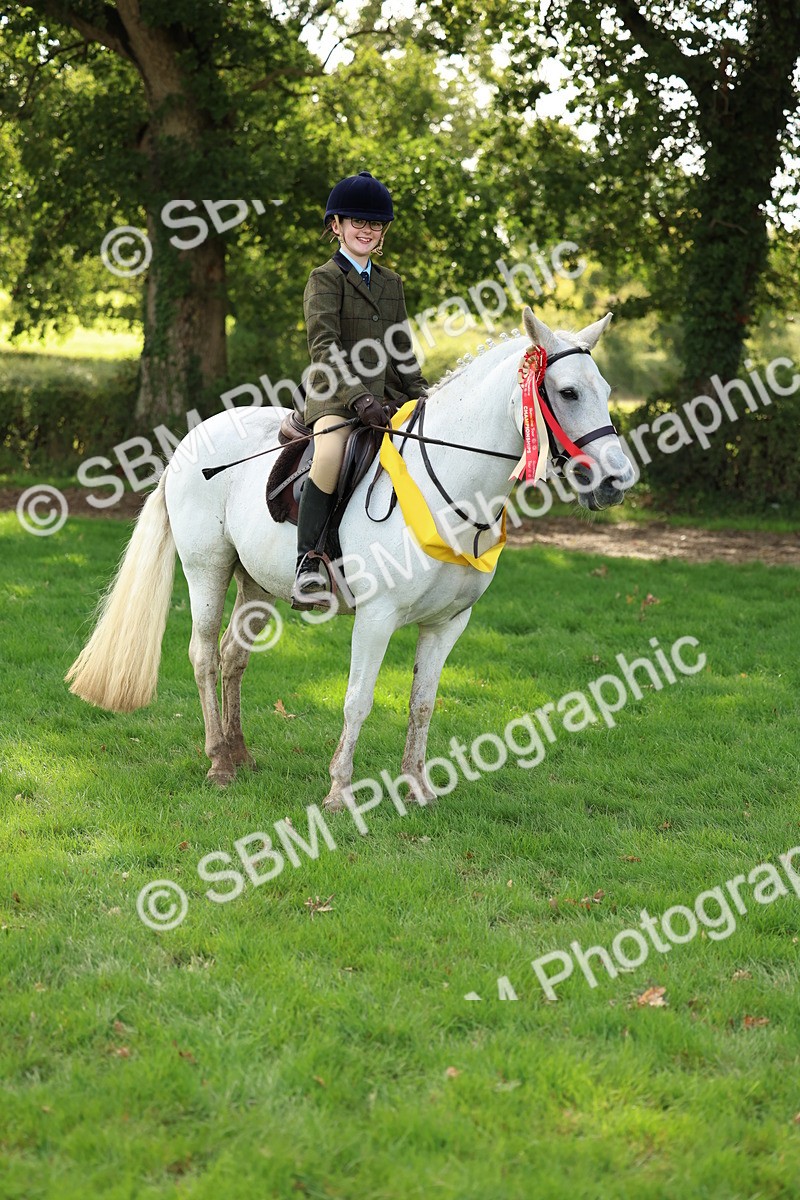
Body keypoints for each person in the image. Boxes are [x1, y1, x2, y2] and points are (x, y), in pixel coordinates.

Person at [291, 169, 428, 608]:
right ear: (337, 226)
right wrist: (359, 398)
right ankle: (309, 561)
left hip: (386, 397)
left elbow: (402, 347)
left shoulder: (391, 283)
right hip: (335, 394)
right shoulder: (324, 278)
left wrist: (422, 394)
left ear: (383, 230)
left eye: (374, 224)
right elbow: (324, 346)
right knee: (330, 453)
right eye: (357, 222)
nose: (366, 230)